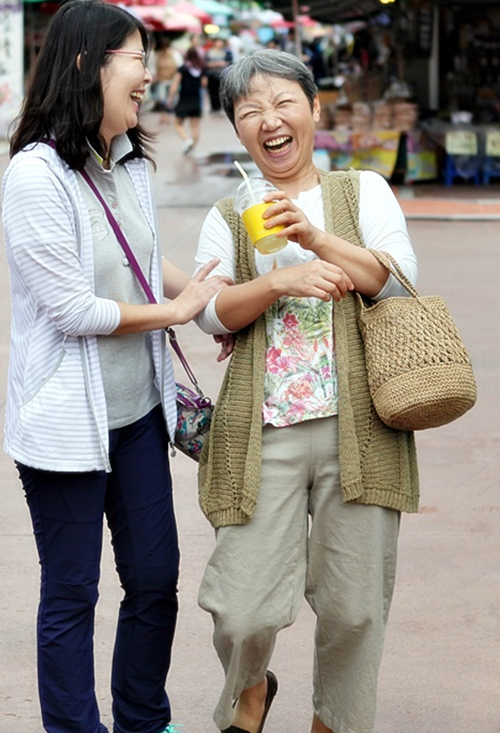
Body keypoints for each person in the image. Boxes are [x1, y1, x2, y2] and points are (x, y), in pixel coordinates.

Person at [1, 0, 229, 733]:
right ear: (85, 65)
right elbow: (72, 307)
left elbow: (140, 261)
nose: (148, 74)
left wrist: (202, 295)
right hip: (67, 427)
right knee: (72, 591)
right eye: (135, 57)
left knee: (156, 581)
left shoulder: (128, 161)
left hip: (137, 416)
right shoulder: (35, 176)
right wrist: (171, 314)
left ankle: (141, 719)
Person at [191, 50, 420, 733]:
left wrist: (315, 237)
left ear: (315, 109)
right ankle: (251, 684)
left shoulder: (363, 192)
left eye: (282, 102)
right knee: (242, 604)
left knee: (355, 605)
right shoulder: (230, 212)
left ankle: (336, 720)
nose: (269, 120)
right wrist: (274, 282)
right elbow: (207, 311)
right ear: (237, 128)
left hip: (363, 424)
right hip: (264, 430)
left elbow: (398, 282)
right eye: (249, 110)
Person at [170, 46, 206, 155]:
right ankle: (192, 147)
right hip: (196, 100)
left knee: (177, 123)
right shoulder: (201, 68)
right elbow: (204, 84)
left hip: (184, 100)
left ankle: (187, 140)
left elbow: (175, 85)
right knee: (195, 126)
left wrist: (170, 99)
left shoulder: (182, 69)